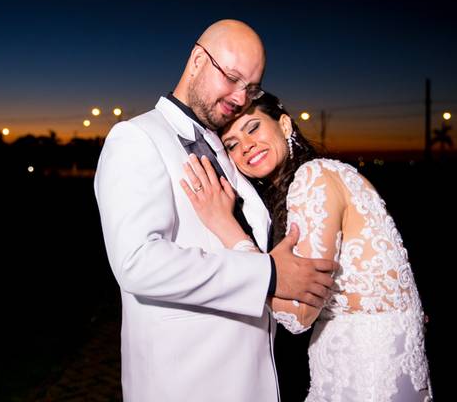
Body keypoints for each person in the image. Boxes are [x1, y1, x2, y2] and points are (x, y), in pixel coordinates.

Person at [94, 20, 338, 401]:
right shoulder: (137, 137)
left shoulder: (227, 145)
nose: (241, 98)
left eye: (251, 88)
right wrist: (268, 275)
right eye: (232, 78)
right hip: (184, 382)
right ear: (196, 60)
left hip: (255, 379)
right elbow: (137, 261)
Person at [180, 92, 432, 401]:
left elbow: (297, 316)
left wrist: (225, 227)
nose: (245, 146)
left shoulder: (314, 177)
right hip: (373, 364)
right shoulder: (323, 176)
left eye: (253, 127)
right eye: (231, 144)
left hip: (366, 376)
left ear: (284, 125)